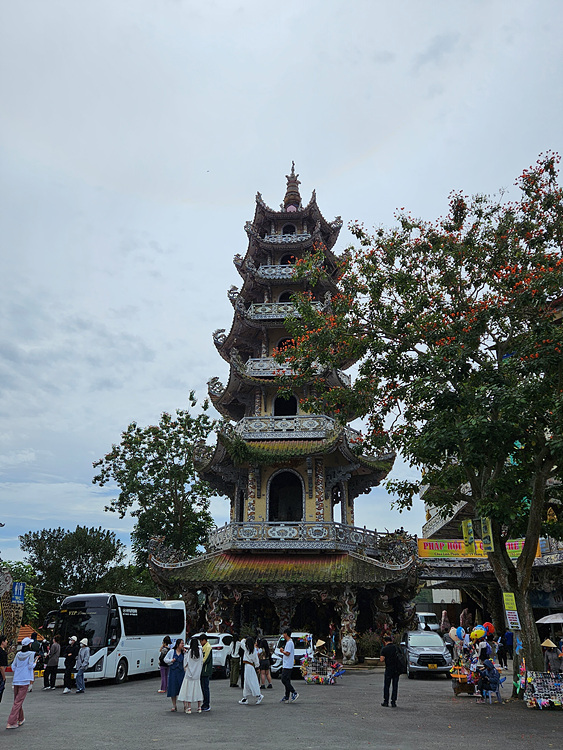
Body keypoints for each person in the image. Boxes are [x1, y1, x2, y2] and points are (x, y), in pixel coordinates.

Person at [6, 636, 35, 729]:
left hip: (17, 679)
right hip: (25, 679)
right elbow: (31, 666)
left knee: (17, 701)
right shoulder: (31, 654)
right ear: (29, 645)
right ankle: (12, 722)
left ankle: (21, 718)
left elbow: (13, 666)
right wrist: (35, 662)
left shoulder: (18, 654)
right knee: (18, 702)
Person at [178, 637, 204, 713]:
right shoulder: (200, 651)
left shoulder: (189, 652)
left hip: (189, 674)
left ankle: (189, 708)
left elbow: (186, 662)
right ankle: (199, 707)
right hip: (197, 674)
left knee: (189, 690)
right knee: (198, 690)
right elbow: (202, 662)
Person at [239, 636, 262, 705]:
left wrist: (244, 639)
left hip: (248, 667)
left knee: (250, 681)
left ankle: (259, 695)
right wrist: (257, 667)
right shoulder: (254, 650)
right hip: (250, 666)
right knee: (247, 682)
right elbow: (256, 661)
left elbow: (241, 642)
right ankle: (245, 697)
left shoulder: (246, 649)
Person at [164, 638, 185, 711]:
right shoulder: (172, 651)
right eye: (181, 643)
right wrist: (171, 661)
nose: (183, 645)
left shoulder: (184, 653)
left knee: (183, 689)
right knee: (173, 688)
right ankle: (174, 705)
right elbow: (165, 659)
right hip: (173, 672)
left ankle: (185, 705)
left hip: (181, 672)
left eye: (183, 643)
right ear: (177, 644)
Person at [379, 634, 401, 708]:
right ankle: (393, 702)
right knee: (395, 686)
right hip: (397, 669)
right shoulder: (396, 648)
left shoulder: (384, 649)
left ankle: (386, 701)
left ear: (385, 642)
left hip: (389, 669)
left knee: (387, 685)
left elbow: (381, 660)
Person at [279, 628, 299, 704]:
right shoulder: (288, 643)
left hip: (288, 665)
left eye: (284, 634)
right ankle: (287, 696)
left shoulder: (290, 643)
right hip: (287, 664)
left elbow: (288, 653)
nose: (283, 635)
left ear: (286, 634)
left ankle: (294, 692)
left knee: (283, 679)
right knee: (287, 680)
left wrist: (282, 651)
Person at [198, 634, 212, 712]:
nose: (200, 643)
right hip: (203, 671)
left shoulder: (208, 647)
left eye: (201, 641)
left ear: (204, 640)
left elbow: (205, 659)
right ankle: (205, 703)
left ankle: (207, 704)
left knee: (205, 688)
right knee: (203, 688)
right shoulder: (204, 647)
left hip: (205, 671)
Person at [0, 634, 8, 704]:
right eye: (5, 640)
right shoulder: (2, 653)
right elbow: (1, 667)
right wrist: (4, 677)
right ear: (2, 642)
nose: (6, 642)